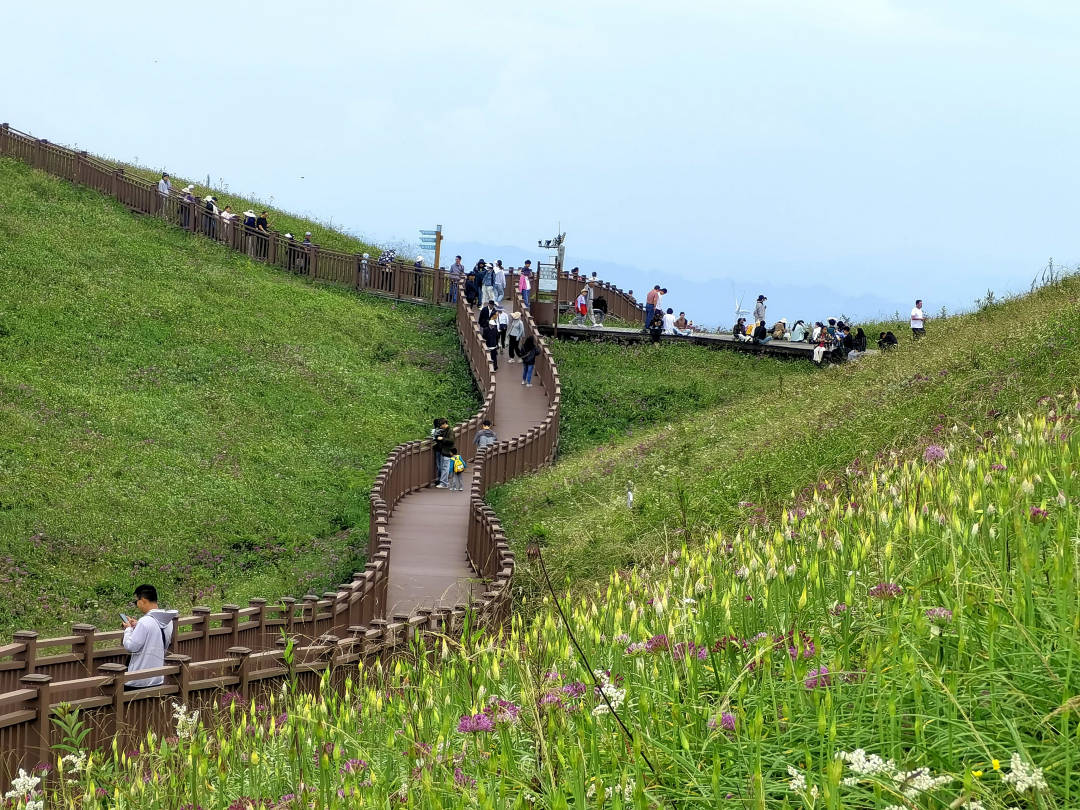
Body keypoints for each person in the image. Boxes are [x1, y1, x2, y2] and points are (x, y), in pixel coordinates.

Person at [122, 584, 176, 689]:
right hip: (157, 678)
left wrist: (128, 629)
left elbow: (130, 646)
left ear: (142, 600)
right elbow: (156, 635)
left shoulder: (145, 621)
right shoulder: (168, 621)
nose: (136, 604)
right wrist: (137, 626)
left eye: (136, 601)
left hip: (138, 679)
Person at [433, 418, 455, 488]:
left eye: (441, 425)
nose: (440, 427)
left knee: (445, 467)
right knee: (444, 467)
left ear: (444, 424)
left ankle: (444, 483)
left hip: (447, 451)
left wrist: (442, 439)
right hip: (444, 451)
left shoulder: (450, 431)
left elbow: (451, 441)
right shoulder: (446, 430)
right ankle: (444, 483)